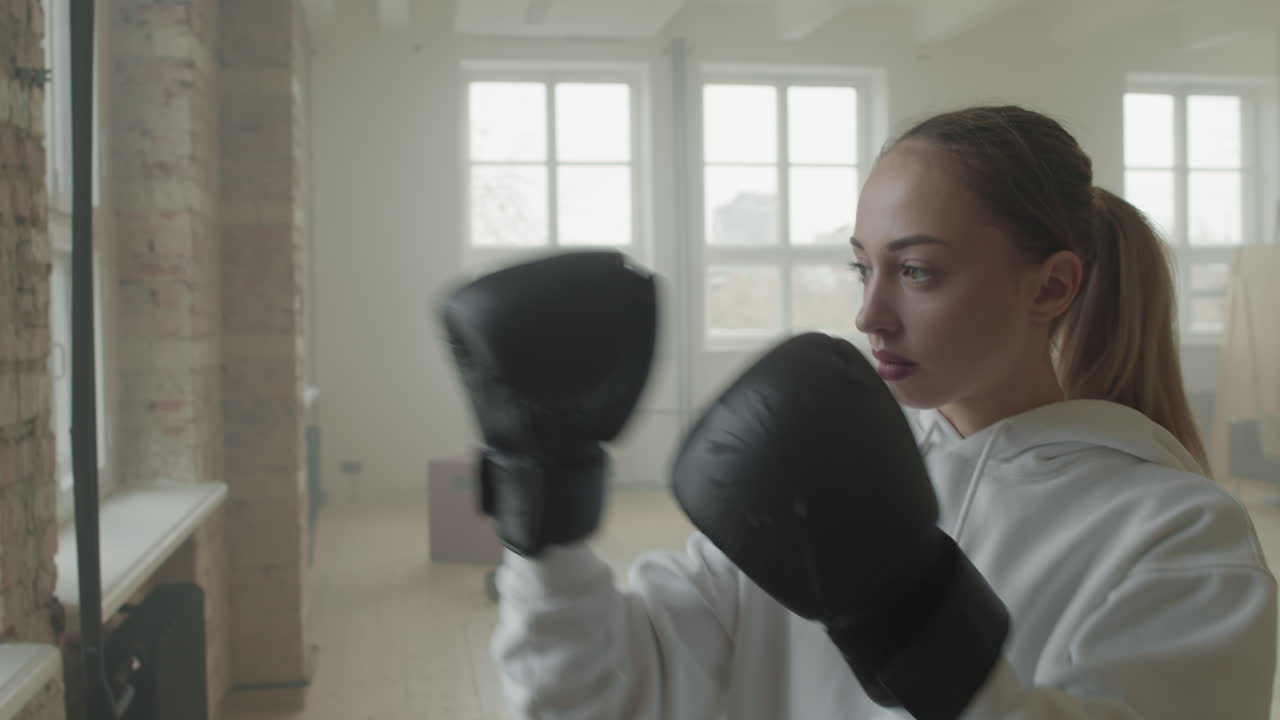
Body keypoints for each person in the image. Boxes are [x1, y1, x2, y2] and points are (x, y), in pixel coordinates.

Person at [439, 105, 1277, 719]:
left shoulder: (1178, 537)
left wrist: (916, 624)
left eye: (916, 272)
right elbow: (596, 700)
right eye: (861, 268)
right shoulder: (825, 472)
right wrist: (545, 519)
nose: (870, 315)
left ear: (1051, 286)